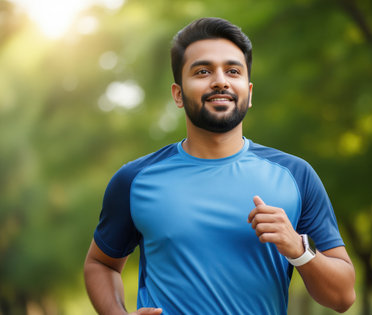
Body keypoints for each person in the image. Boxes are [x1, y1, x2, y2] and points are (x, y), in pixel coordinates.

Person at [84, 17, 356, 315]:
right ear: (178, 94)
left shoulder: (296, 176)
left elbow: (343, 296)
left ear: (248, 92)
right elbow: (100, 264)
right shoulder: (135, 180)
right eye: (203, 71)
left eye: (233, 71)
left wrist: (299, 249)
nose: (220, 81)